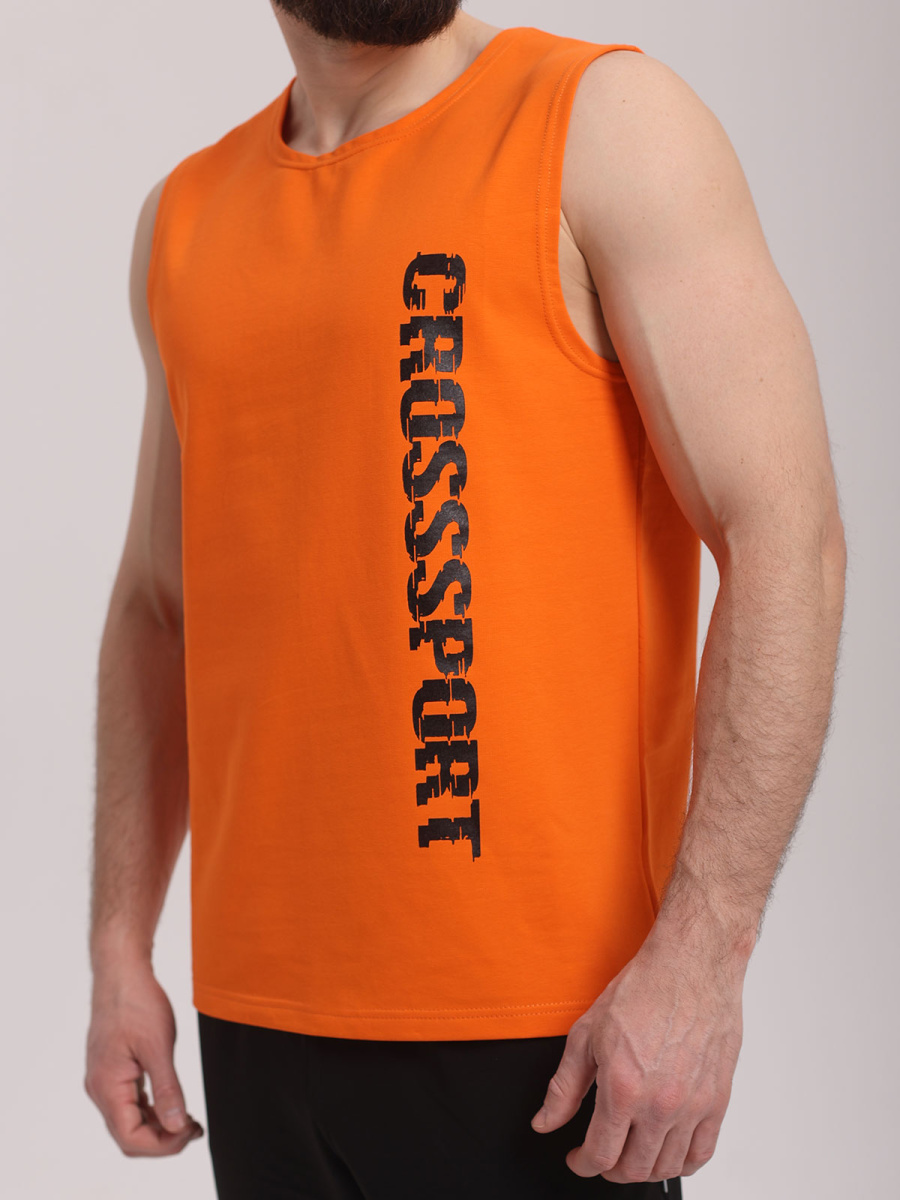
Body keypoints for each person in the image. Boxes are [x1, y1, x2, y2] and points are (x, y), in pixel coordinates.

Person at [83, 1, 846, 1196]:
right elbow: (158, 603)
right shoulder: (184, 217)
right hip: (257, 1029)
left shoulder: (600, 126)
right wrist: (119, 944)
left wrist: (703, 956)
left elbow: (786, 538)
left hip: (544, 1039)